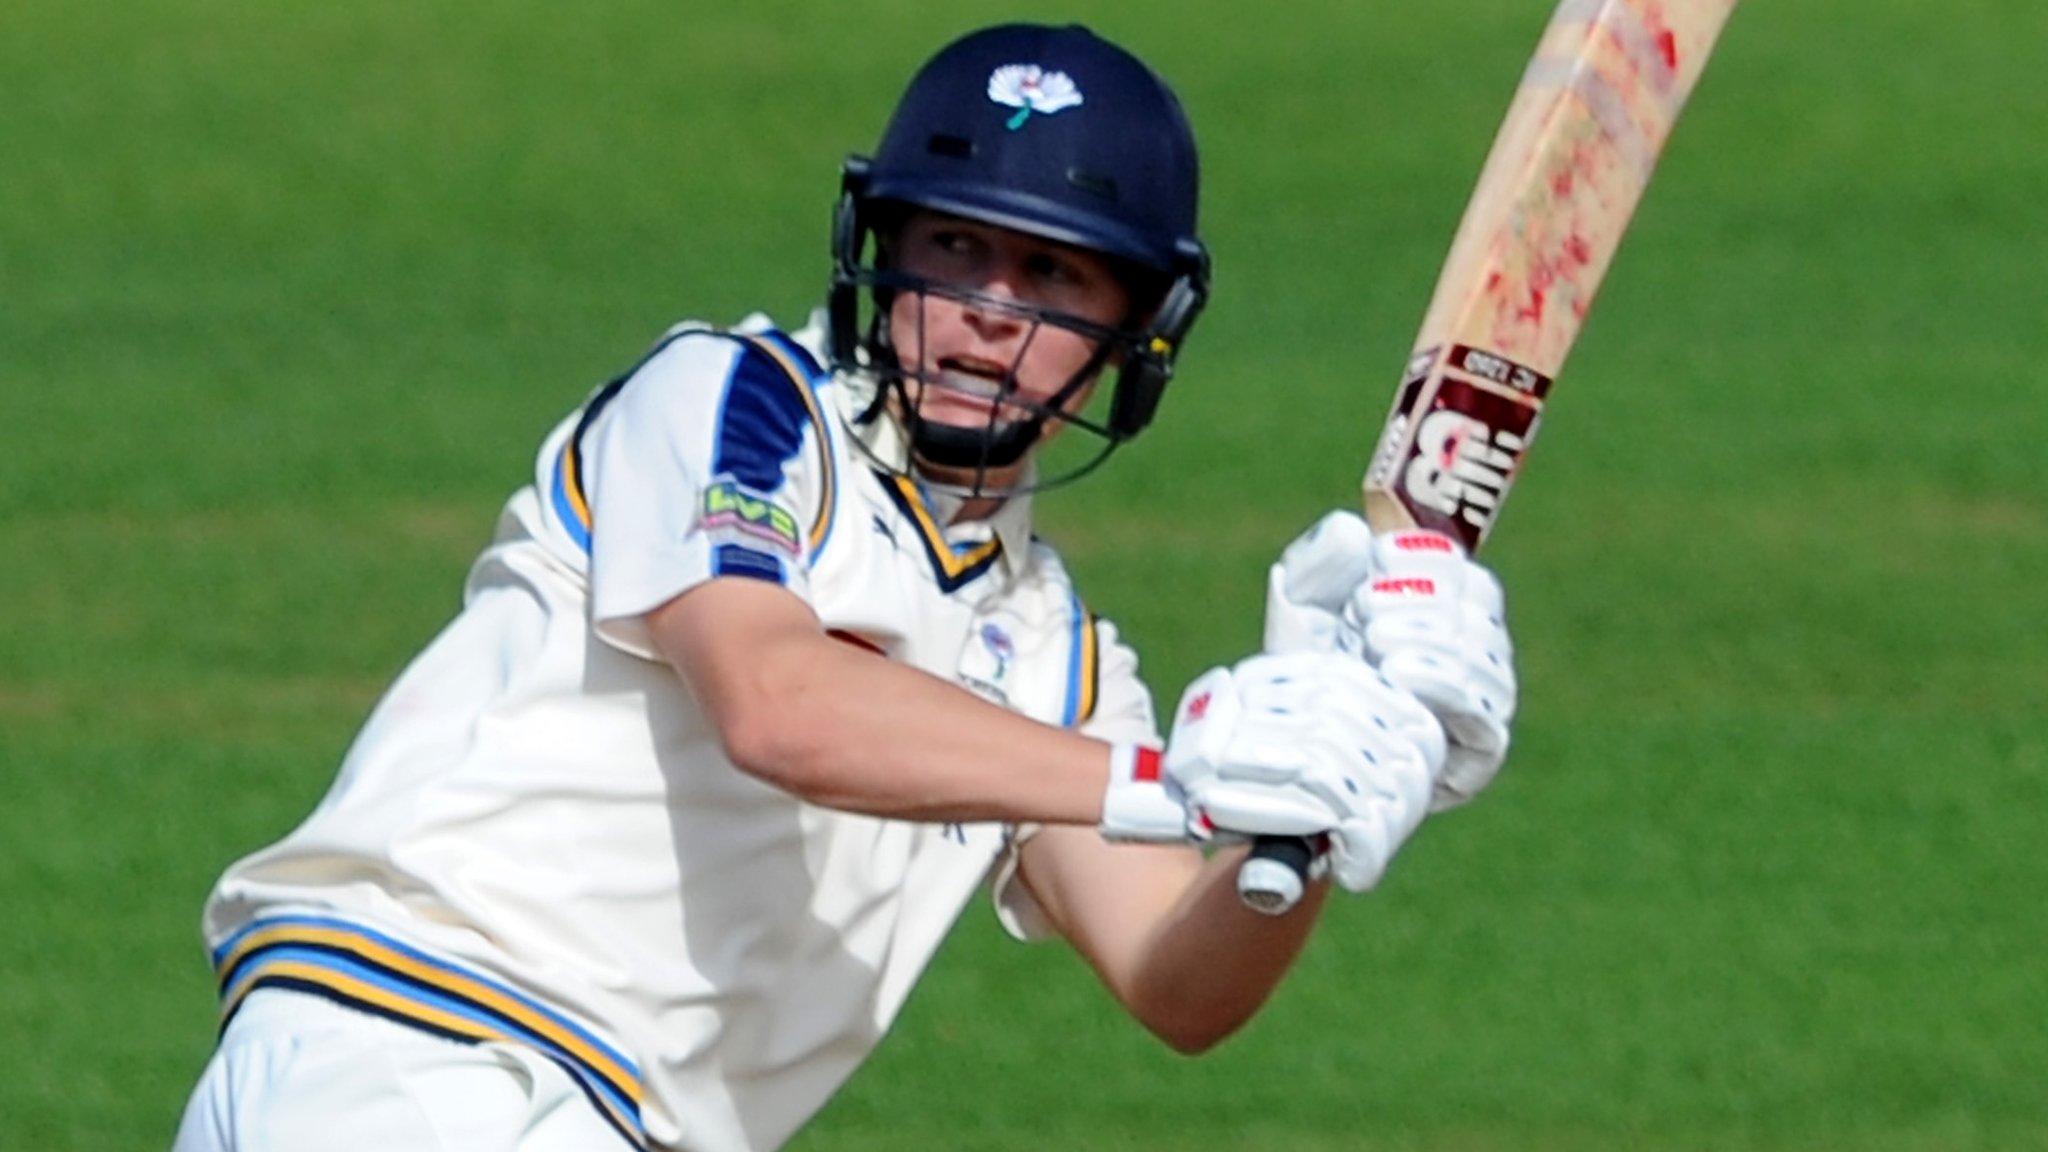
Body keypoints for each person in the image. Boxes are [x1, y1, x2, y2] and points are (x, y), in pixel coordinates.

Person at [173, 22, 1517, 1152]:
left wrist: (1316, 810)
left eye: (1049, 271)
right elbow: (777, 702)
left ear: (1129, 335)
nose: (987, 309)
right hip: (426, 1051)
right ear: (881, 257)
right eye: (953, 250)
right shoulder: (737, 406)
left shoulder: (1054, 661)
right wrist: (1183, 780)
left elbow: (1178, 979)